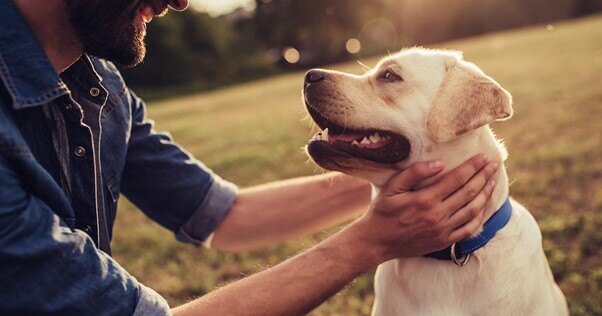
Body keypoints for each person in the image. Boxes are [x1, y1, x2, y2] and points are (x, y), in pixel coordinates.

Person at [0, 0, 499, 315]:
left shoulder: (101, 87)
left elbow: (225, 215)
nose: (180, 0)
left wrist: (417, 174)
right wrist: (368, 242)